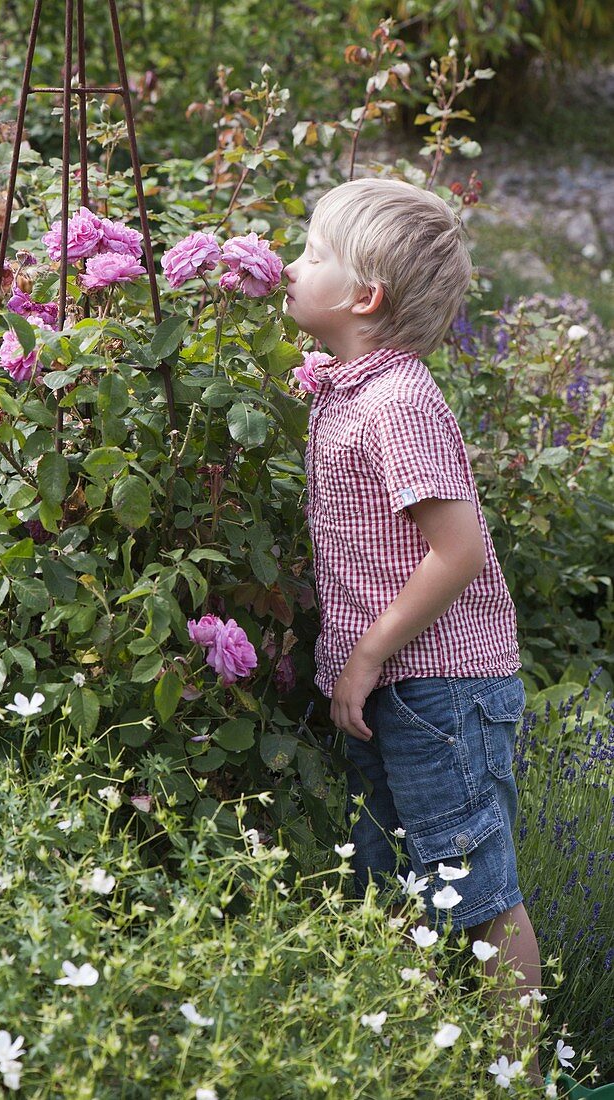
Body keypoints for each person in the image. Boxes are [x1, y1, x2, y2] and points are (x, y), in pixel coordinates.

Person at [284, 177, 543, 1082]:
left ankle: (518, 1073)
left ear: (364, 297)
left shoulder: (397, 404)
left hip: (442, 683)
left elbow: (459, 550)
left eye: (313, 253)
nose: (291, 263)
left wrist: (365, 654)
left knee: (476, 889)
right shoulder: (349, 388)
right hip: (399, 683)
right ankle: (413, 1053)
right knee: (389, 876)